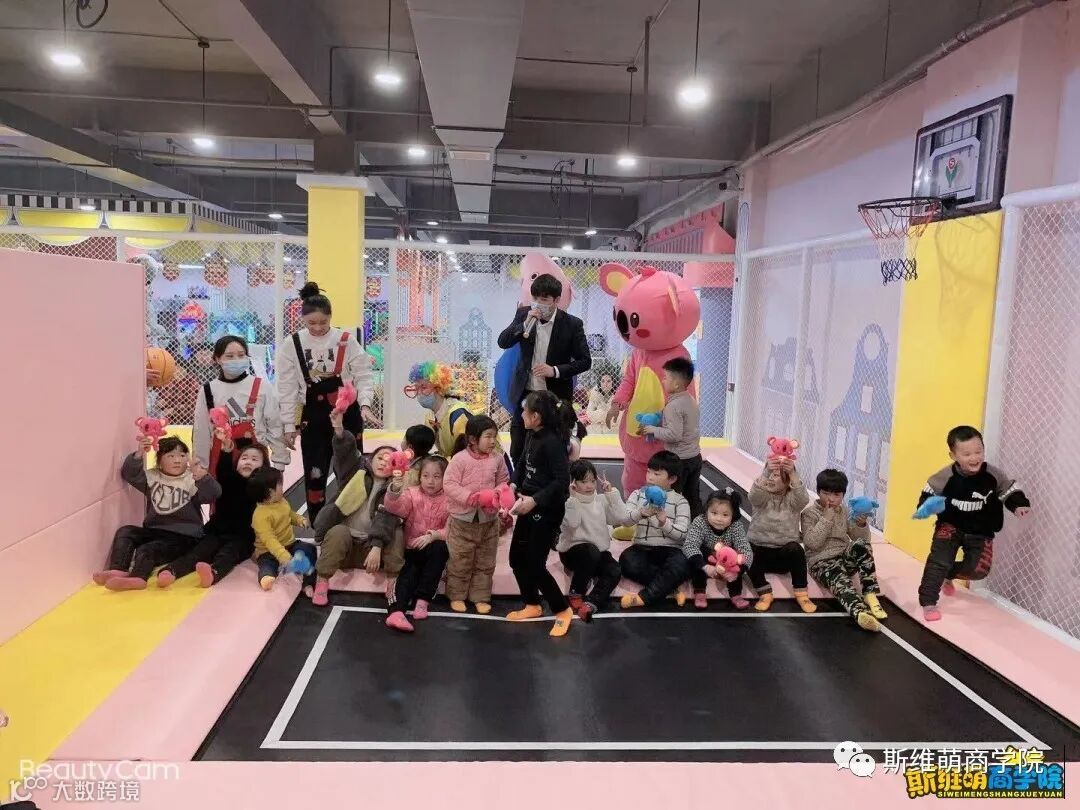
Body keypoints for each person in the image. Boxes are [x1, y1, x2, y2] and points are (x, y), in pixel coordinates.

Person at [276, 282, 378, 524]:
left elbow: (364, 374)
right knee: (315, 472)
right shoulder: (292, 344)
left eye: (323, 322)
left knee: (352, 470)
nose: (318, 328)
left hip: (347, 413)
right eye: (311, 323)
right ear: (302, 319)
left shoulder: (345, 340)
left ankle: (355, 520)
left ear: (331, 317)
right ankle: (318, 525)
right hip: (314, 416)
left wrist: (365, 404)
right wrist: (289, 425)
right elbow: (286, 388)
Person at [916, 425, 1030, 622]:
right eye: (967, 454)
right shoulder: (944, 476)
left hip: (981, 530)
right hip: (950, 526)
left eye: (978, 452)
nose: (974, 458)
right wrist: (926, 506)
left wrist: (1018, 504)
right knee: (938, 562)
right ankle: (928, 602)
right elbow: (929, 493)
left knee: (978, 570)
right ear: (953, 456)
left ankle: (947, 574)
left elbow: (1008, 489)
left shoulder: (993, 475)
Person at [94, 436, 221, 591]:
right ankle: (118, 570)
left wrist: (202, 476)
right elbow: (129, 473)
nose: (177, 460)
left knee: (148, 549)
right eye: (171, 456)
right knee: (125, 531)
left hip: (185, 537)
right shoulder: (153, 477)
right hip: (155, 531)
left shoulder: (192, 479)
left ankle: (138, 577)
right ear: (159, 460)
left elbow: (213, 494)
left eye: (182, 455)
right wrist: (139, 453)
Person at [497, 273, 591, 469]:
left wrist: (554, 370)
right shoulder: (524, 315)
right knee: (518, 449)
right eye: (535, 298)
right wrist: (524, 324)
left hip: (554, 398)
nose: (538, 303)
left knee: (553, 451)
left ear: (556, 300)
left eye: (544, 299)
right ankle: (520, 484)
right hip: (525, 395)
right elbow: (503, 341)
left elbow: (585, 361)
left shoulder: (572, 324)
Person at [157, 429, 270, 588]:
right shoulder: (230, 480)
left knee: (229, 555)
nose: (248, 462)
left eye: (254, 459)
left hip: (243, 537)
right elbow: (223, 470)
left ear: (264, 467)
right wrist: (226, 450)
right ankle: (171, 571)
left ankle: (213, 573)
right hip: (217, 531)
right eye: (244, 458)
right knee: (199, 552)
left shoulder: (261, 488)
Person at [310, 411, 401, 606]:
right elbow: (345, 454)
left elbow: (388, 517)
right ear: (370, 459)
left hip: (373, 552)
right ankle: (322, 581)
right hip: (347, 548)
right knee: (338, 531)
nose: (384, 463)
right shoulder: (354, 473)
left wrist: (377, 547)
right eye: (380, 458)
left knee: (398, 532)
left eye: (390, 461)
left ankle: (393, 582)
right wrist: (339, 429)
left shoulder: (395, 488)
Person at [507, 391, 575, 637]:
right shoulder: (531, 435)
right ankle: (532, 604)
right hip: (528, 503)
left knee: (535, 563)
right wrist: (514, 483)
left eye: (525, 411)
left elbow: (562, 481)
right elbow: (522, 463)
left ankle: (562, 610)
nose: (521, 414)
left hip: (546, 509)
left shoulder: (553, 442)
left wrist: (535, 500)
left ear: (536, 416)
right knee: (517, 558)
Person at [802, 469, 887, 632]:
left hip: (844, 557)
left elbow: (861, 540)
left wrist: (861, 525)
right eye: (826, 493)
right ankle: (861, 613)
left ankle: (870, 593)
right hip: (821, 562)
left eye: (836, 495)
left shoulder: (845, 511)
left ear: (843, 495)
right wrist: (826, 517)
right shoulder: (809, 514)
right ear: (818, 492)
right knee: (842, 585)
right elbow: (812, 543)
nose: (831, 499)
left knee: (861, 544)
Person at [193, 335, 289, 474]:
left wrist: (280, 461)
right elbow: (201, 431)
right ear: (217, 359)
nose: (236, 359)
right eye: (229, 356)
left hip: (256, 462)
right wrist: (201, 466)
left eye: (241, 355)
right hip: (221, 462)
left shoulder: (262, 386)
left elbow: (275, 425)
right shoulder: (208, 390)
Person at [442, 415, 509, 614]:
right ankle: (456, 596)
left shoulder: (497, 458)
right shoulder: (459, 459)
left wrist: (498, 494)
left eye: (494, 436)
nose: (492, 441)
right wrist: (469, 497)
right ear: (472, 439)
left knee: (485, 562)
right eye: (488, 436)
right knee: (460, 561)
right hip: (462, 521)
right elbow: (449, 484)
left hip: (489, 521)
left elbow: (503, 481)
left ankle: (480, 597)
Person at [383, 456, 451, 633]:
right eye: (426, 476)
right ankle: (396, 612)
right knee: (409, 572)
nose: (430, 481)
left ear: (445, 478)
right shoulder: (411, 493)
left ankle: (422, 601)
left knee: (439, 548)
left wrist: (433, 536)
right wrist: (394, 490)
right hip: (412, 549)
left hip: (434, 550)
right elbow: (394, 508)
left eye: (437, 476)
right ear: (420, 477)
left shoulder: (450, 499)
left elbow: (452, 529)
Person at [558, 459, 630, 621]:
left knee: (614, 569)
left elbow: (622, 517)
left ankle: (592, 603)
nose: (590, 486)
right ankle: (576, 592)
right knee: (591, 551)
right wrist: (572, 499)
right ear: (573, 483)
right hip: (572, 552)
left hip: (597, 553)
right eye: (584, 482)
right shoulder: (568, 502)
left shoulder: (601, 500)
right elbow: (572, 524)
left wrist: (612, 494)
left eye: (592, 480)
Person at [618, 450, 692, 609]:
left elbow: (682, 534)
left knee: (683, 563)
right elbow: (624, 520)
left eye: (657, 474)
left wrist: (664, 522)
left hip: (671, 549)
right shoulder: (637, 494)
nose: (650, 477)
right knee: (626, 560)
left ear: (672, 479)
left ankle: (644, 597)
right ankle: (670, 587)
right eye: (649, 471)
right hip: (642, 548)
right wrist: (640, 513)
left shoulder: (681, 501)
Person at [746, 457, 816, 613]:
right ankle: (764, 593)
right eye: (770, 473)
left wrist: (793, 473)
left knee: (796, 549)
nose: (771, 478)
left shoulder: (793, 500)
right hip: (759, 554)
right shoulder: (762, 496)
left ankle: (802, 595)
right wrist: (766, 472)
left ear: (787, 481)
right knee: (745, 549)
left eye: (776, 475)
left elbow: (803, 499)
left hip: (783, 556)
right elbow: (754, 496)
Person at [640, 357, 702, 518]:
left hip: (680, 460)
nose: (663, 380)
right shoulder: (690, 400)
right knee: (692, 496)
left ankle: (670, 524)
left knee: (671, 497)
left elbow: (674, 435)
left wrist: (652, 429)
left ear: (676, 384)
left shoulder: (673, 406)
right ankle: (696, 526)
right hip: (694, 457)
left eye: (665, 377)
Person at [683, 488, 753, 609]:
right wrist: (705, 567)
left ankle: (736, 594)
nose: (719, 519)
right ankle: (699, 592)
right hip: (706, 558)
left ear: (733, 515)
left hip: (727, 561)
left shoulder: (736, 526)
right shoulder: (700, 521)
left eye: (725, 515)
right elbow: (690, 545)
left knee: (736, 559)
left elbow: (746, 550)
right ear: (706, 511)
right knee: (697, 557)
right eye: (714, 513)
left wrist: (737, 571)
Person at [248, 467, 316, 591]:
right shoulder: (260, 515)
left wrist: (300, 520)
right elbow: (270, 540)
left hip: (289, 544)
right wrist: (283, 557)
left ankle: (307, 583)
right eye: (280, 485)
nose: (282, 487)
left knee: (309, 549)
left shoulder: (281, 501)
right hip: (268, 550)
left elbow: (289, 514)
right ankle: (266, 578)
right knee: (267, 564)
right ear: (270, 492)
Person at [406, 362, 472, 458]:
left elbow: (467, 452)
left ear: (439, 388)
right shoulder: (430, 416)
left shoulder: (458, 414)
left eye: (424, 387)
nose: (419, 393)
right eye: (416, 388)